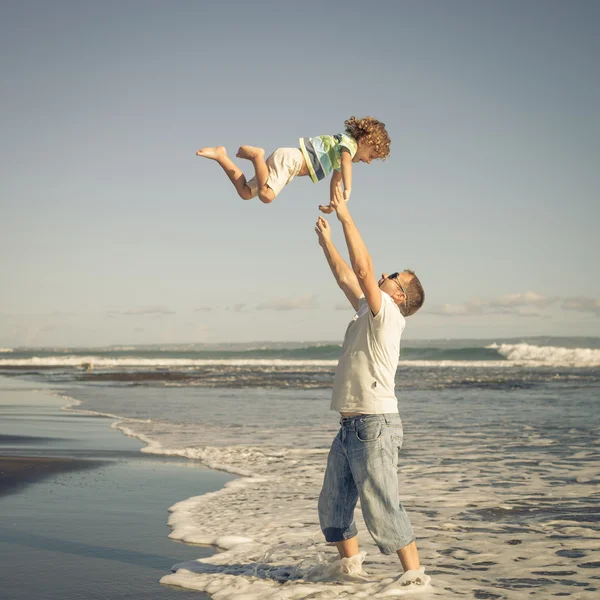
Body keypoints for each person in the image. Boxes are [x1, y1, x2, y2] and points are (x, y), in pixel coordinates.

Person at [314, 184, 429, 590]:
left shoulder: (389, 316)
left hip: (375, 424)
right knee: (333, 509)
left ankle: (415, 580)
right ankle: (350, 576)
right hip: (351, 425)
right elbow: (349, 276)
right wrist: (327, 241)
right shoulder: (369, 307)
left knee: (382, 509)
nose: (384, 275)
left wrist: (346, 216)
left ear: (399, 294)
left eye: (392, 276)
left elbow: (363, 270)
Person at [195, 116, 390, 211]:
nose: (369, 161)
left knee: (246, 193)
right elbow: (347, 164)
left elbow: (334, 181)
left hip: (286, 161)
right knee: (266, 195)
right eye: (371, 155)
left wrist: (334, 204)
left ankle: (221, 156)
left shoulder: (341, 153)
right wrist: (350, 189)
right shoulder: (348, 145)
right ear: (364, 141)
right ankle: (256, 156)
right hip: (290, 161)